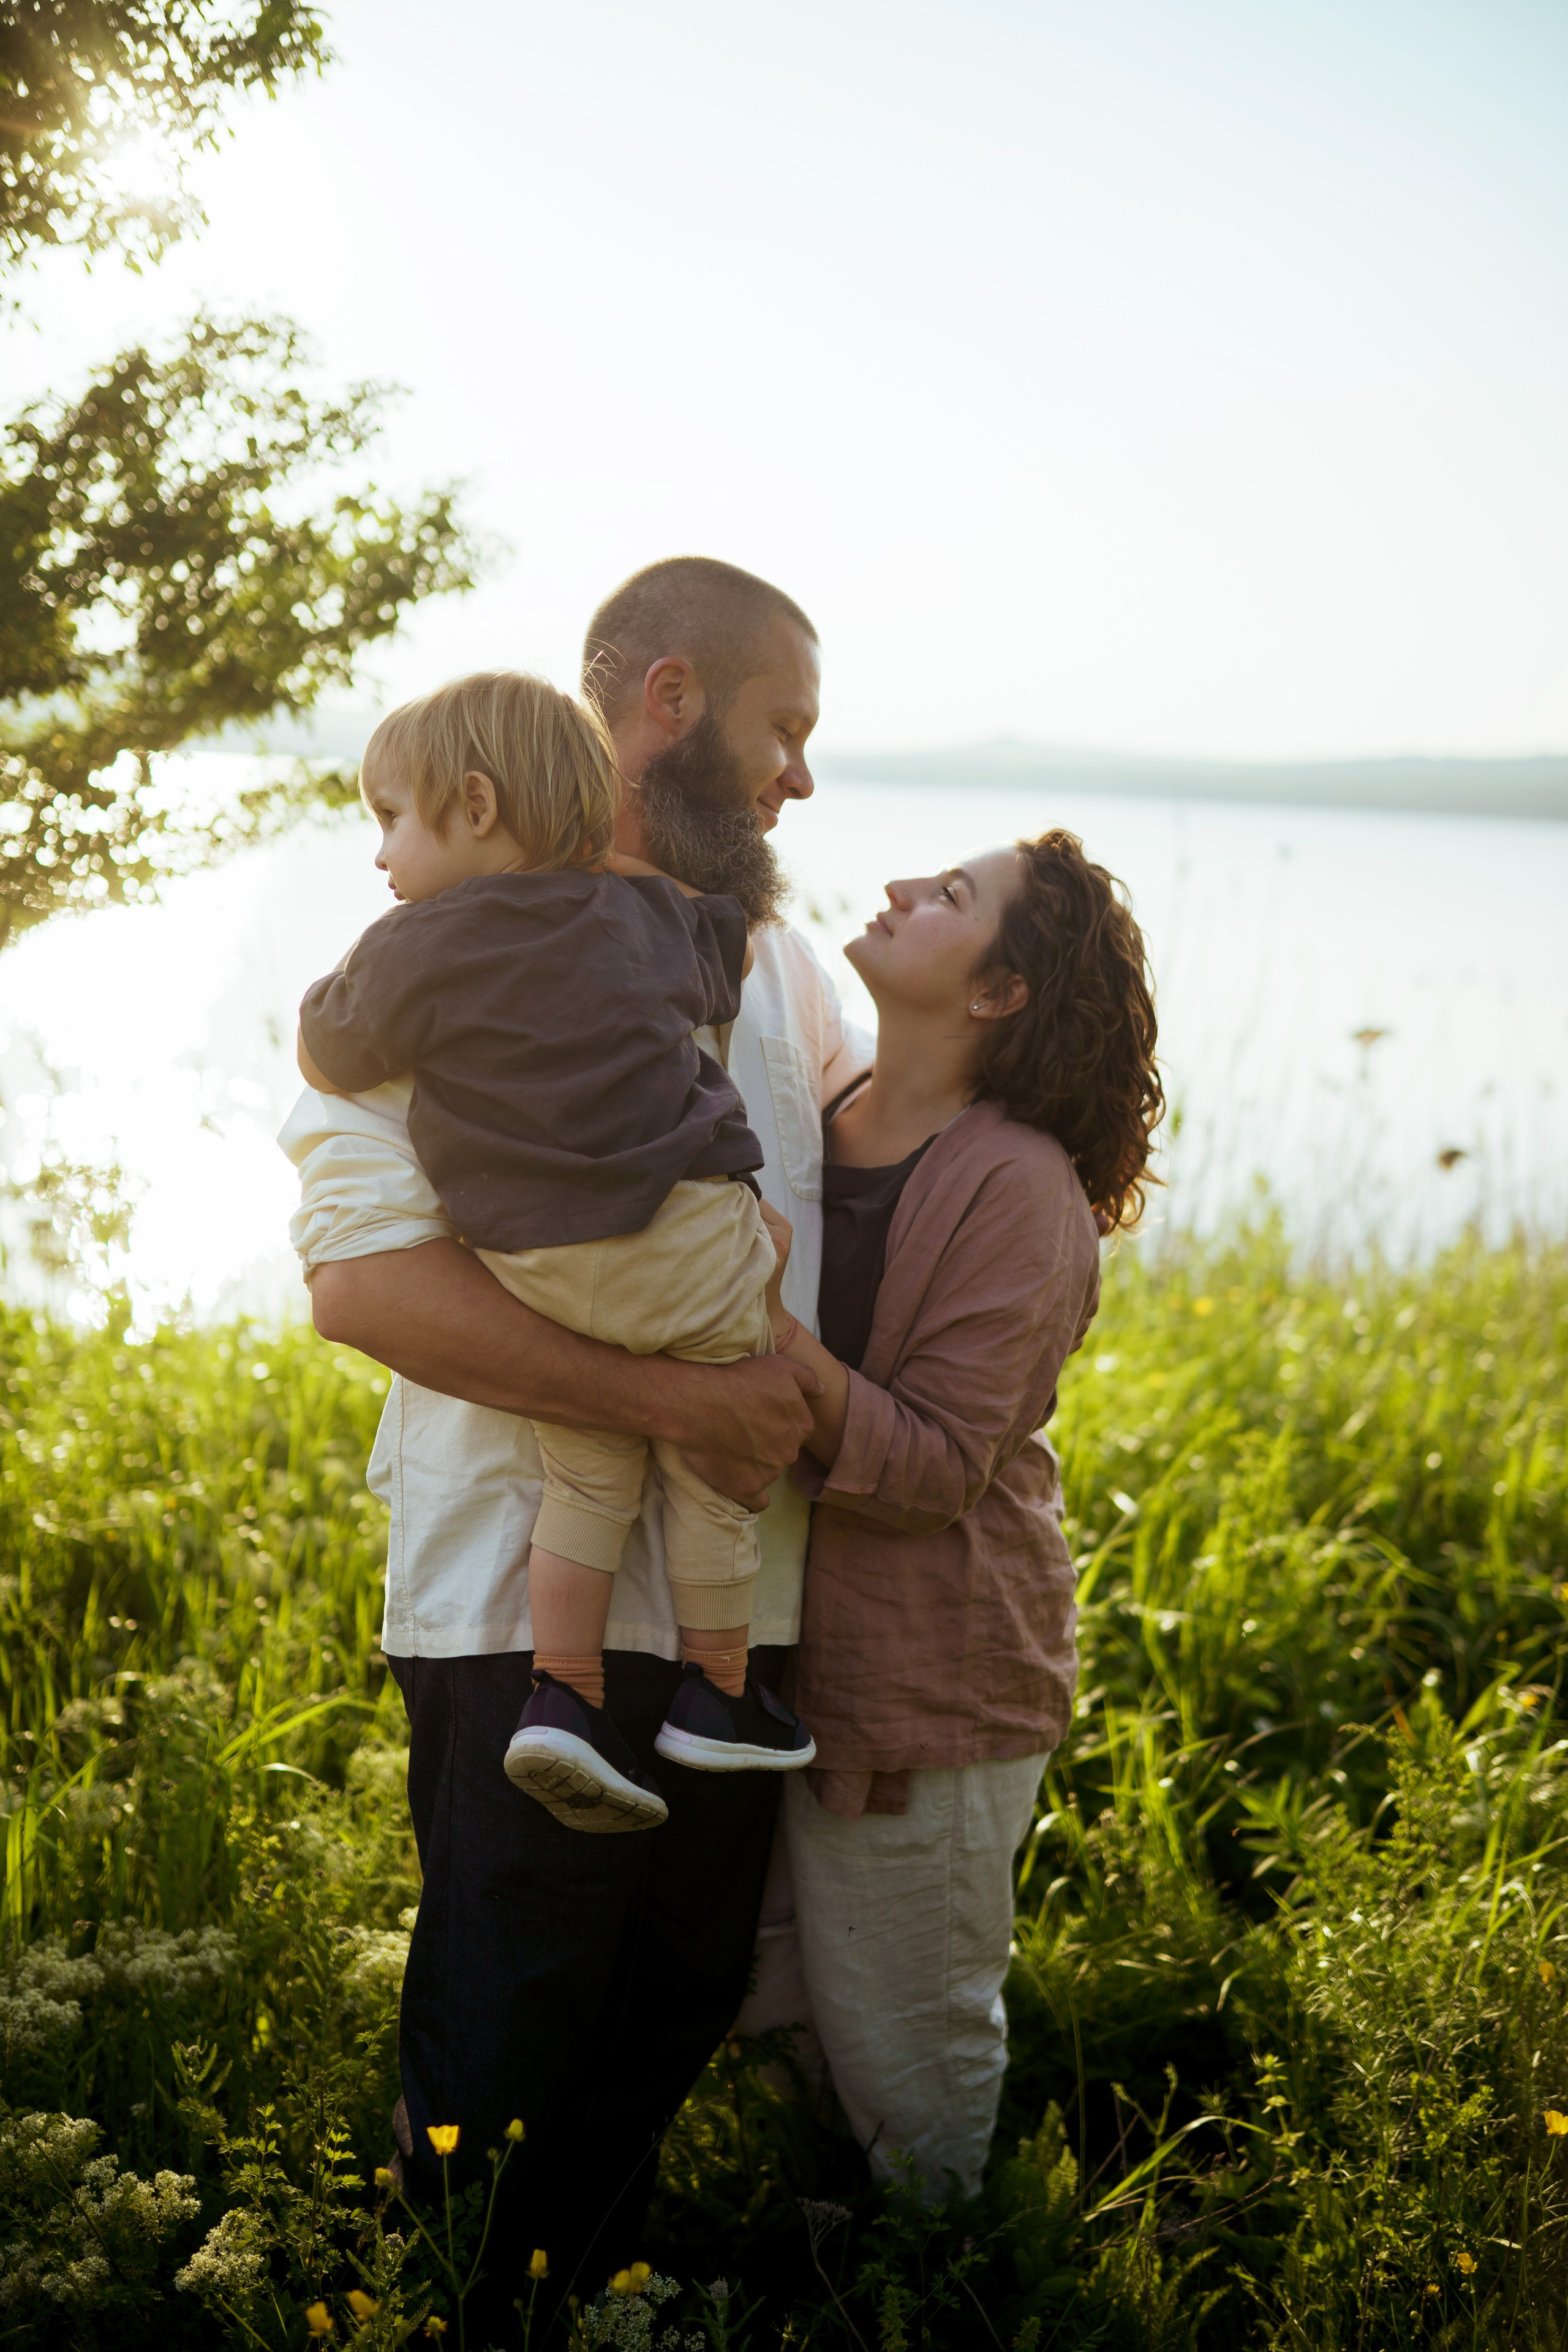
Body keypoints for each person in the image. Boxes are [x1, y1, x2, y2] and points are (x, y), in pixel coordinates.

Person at [277, 558, 868, 2305]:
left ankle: (587, 2308)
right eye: (781, 730)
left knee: (672, 2011)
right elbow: (365, 1287)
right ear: (668, 703)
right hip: (513, 1608)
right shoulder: (422, 954)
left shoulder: (781, 967)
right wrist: (691, 1400)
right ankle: (464, 2314)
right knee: (502, 2041)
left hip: (740, 1620)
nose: (800, 779)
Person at [294, 669, 814, 1834]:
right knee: (714, 1462)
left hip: (540, 1271)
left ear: (477, 807)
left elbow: (329, 1051)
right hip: (687, 1248)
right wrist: (616, 872)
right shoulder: (647, 914)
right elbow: (728, 956)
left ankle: (563, 1695)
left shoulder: (417, 941)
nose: (380, 854)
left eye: (391, 818)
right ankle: (723, 1691)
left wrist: (358, 972)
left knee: (586, 1471)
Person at [756, 828, 1162, 2201]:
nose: (897, 891)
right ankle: (830, 2262)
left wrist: (767, 1337)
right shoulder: (825, 1108)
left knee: (909, 2054)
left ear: (998, 992)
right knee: (795, 2023)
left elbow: (935, 1467)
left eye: (949, 897)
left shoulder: (1020, 1188)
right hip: (792, 1652)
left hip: (934, 1671)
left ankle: (954, 2281)